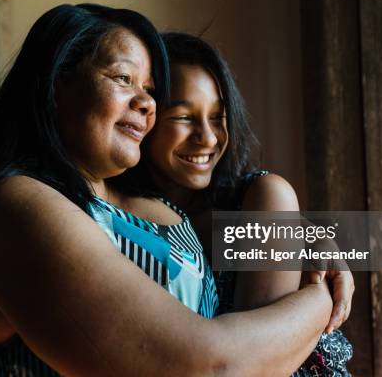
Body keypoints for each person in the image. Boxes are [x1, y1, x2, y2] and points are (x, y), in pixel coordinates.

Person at [0, 4, 334, 376]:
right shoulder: (15, 207)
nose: (146, 102)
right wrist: (320, 299)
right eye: (123, 79)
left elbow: (232, 231)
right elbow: (211, 367)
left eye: (150, 89)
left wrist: (311, 237)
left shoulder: (140, 198)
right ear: (55, 84)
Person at [141, 32, 354, 375]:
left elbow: (260, 363)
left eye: (217, 116)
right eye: (183, 117)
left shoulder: (263, 198)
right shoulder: (129, 218)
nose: (208, 137)